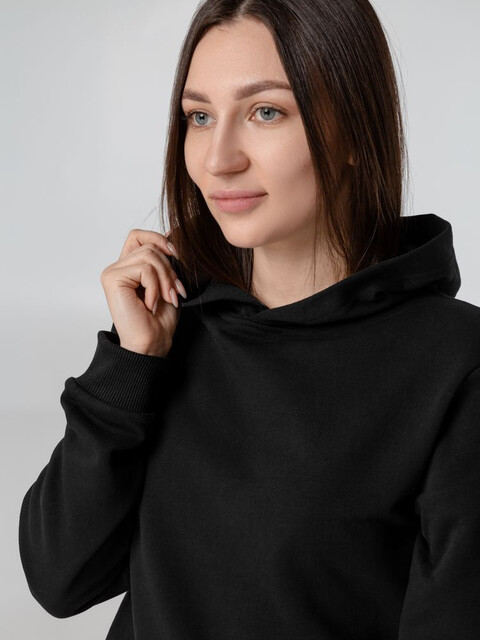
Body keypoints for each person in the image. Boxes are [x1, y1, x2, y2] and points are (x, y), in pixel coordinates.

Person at [18, 0, 480, 638]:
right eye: (200, 116)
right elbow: (60, 580)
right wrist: (129, 366)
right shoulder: (170, 329)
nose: (218, 159)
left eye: (266, 112)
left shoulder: (454, 366)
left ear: (354, 130)